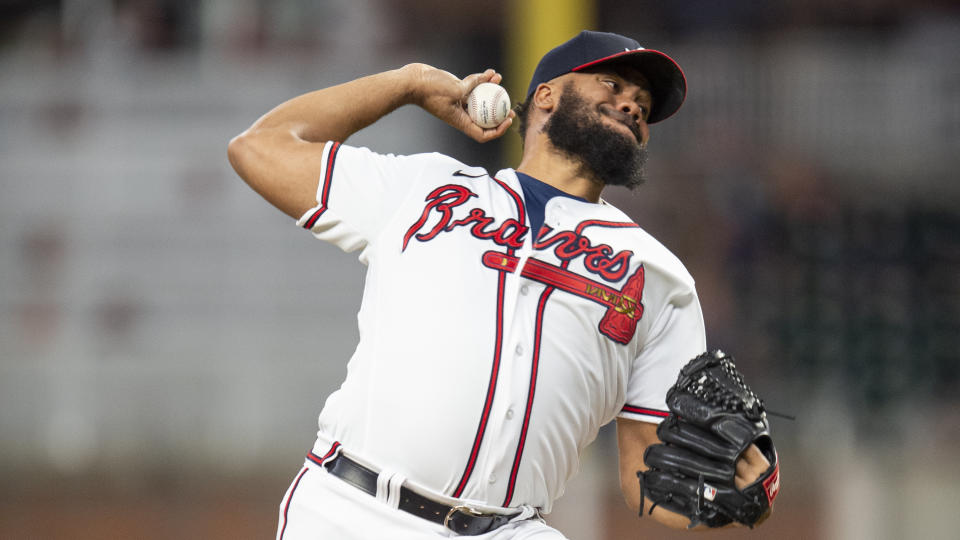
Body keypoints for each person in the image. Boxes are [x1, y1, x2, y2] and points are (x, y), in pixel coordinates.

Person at [228, 30, 772, 539]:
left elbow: (645, 481)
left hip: (511, 528)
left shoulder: (658, 275)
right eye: (613, 85)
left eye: (645, 106)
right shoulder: (424, 188)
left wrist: (730, 494)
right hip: (352, 509)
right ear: (546, 96)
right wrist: (410, 83)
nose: (633, 104)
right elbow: (261, 147)